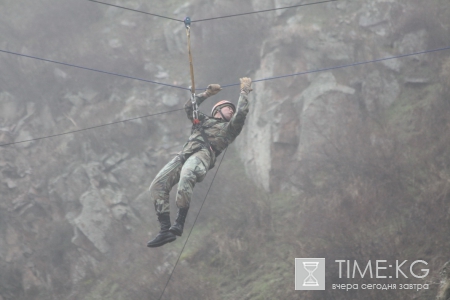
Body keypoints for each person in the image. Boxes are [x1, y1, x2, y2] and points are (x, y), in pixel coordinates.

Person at [147, 77, 252, 247]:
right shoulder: (202, 120)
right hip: (183, 155)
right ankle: (165, 230)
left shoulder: (230, 129)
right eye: (228, 108)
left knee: (187, 175)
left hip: (203, 156)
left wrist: (244, 91)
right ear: (217, 110)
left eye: (232, 109)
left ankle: (179, 222)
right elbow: (189, 107)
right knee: (157, 186)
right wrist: (207, 94)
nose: (232, 111)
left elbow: (241, 113)